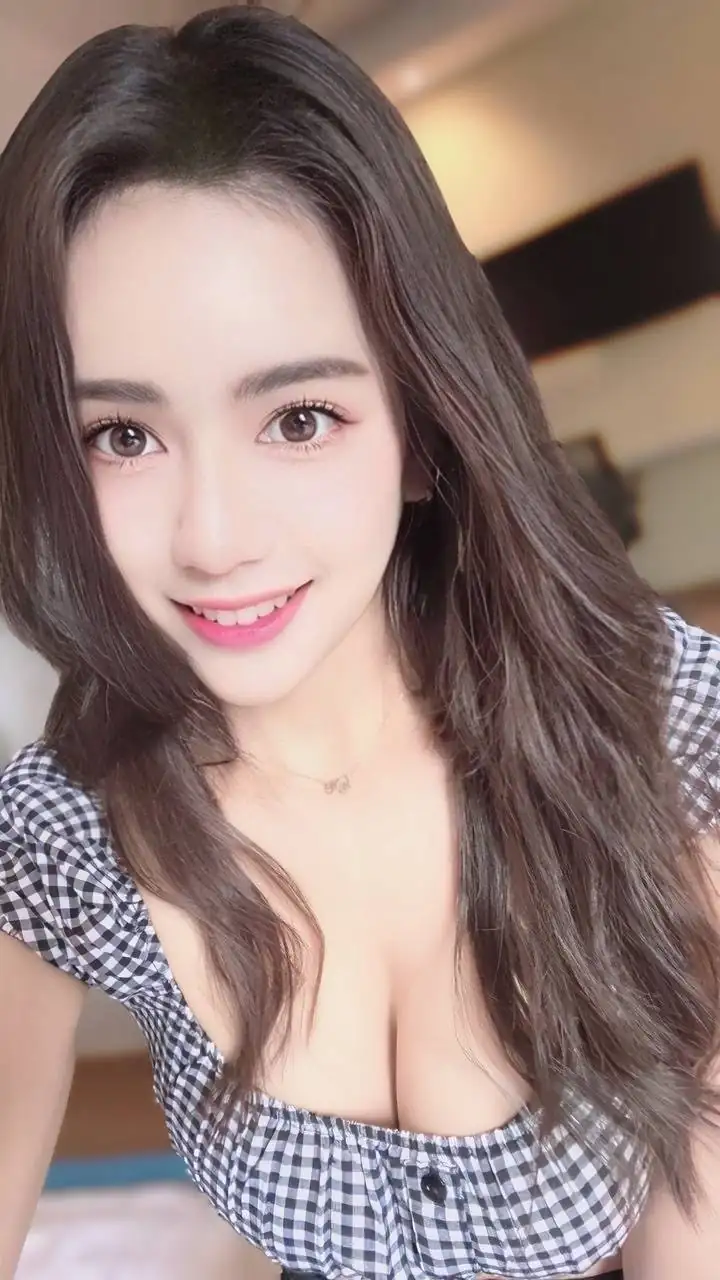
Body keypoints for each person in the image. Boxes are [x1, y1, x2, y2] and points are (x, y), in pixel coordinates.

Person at [0, 5, 718, 1278]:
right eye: (121, 435)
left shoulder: (664, 725)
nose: (214, 537)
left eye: (300, 417)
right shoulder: (65, 833)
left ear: (424, 430)